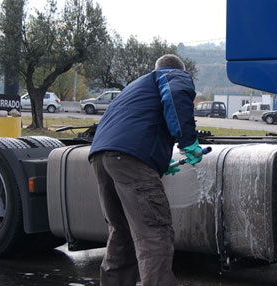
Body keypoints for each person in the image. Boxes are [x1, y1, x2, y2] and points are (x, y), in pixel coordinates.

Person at [88, 54, 202, 286]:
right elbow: (176, 96)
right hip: (129, 157)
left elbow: (136, 124)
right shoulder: (172, 75)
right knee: (154, 233)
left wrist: (157, 163)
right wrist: (188, 140)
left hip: (101, 157)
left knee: (122, 232)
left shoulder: (135, 87)